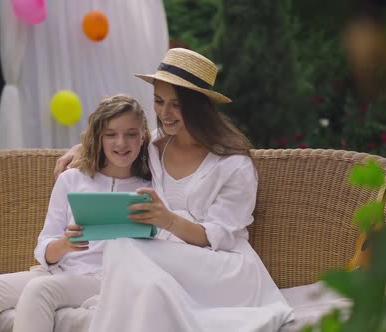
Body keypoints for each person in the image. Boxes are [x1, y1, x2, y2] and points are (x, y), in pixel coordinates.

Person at [55, 48, 294, 331]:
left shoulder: (234, 165)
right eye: (158, 101)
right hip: (168, 259)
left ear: (198, 107)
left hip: (222, 267)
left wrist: (167, 219)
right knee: (128, 255)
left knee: (124, 249)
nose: (164, 113)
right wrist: (82, 147)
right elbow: (121, 141)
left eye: (176, 104)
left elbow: (218, 238)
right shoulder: (157, 145)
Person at [0, 94, 151, 332]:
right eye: (111, 134)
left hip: (103, 279)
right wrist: (65, 244)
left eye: (131, 134)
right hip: (58, 271)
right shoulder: (72, 179)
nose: (121, 142)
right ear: (99, 137)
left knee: (40, 291)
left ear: (143, 136)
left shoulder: (150, 189)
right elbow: (45, 244)